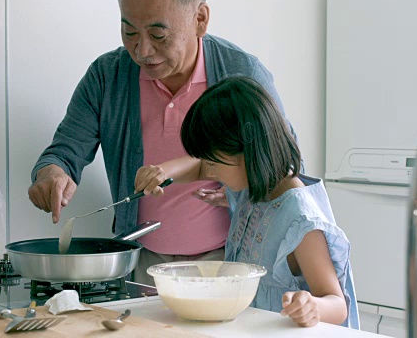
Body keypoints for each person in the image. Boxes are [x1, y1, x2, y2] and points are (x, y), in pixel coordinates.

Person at [27, 0, 299, 286]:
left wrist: (244, 187)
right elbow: (65, 150)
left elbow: (285, 168)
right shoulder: (107, 77)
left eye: (158, 34)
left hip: (230, 262)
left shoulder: (243, 74)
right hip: (142, 263)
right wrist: (52, 173)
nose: (142, 50)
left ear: (200, 19)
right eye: (129, 31)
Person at [133, 76, 359, 329]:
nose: (210, 172)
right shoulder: (249, 185)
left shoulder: (299, 218)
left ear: (247, 153)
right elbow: (197, 168)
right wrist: (162, 172)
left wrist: (309, 305)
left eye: (214, 163)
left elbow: (338, 305)